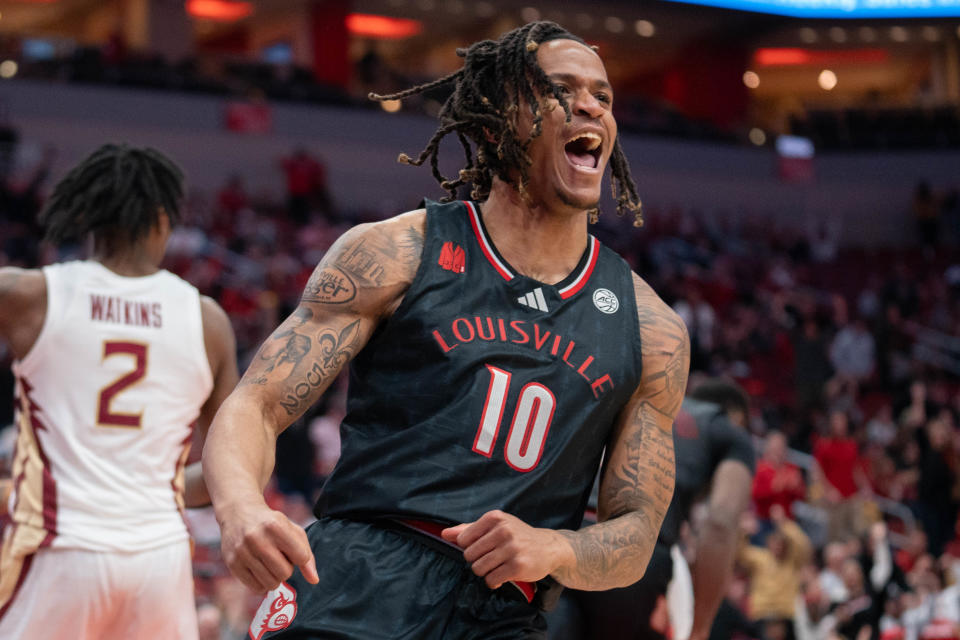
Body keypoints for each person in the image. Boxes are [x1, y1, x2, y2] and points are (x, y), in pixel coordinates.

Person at [203, 21, 690, 640]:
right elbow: (257, 403)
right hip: (360, 576)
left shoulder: (653, 330)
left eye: (603, 95)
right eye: (561, 90)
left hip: (504, 609)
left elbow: (636, 531)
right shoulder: (395, 253)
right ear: (495, 124)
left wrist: (557, 550)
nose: (591, 104)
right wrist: (241, 508)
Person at [0, 143, 239, 639]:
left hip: (61, 546)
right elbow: (235, 463)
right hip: (161, 556)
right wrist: (164, 490)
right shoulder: (206, 319)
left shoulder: (29, 295)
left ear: (87, 213)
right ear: (162, 219)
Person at [549, 378, 756, 640]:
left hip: (560, 532)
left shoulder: (631, 396)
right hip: (629, 551)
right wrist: (700, 629)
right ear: (737, 417)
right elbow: (720, 522)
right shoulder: (727, 430)